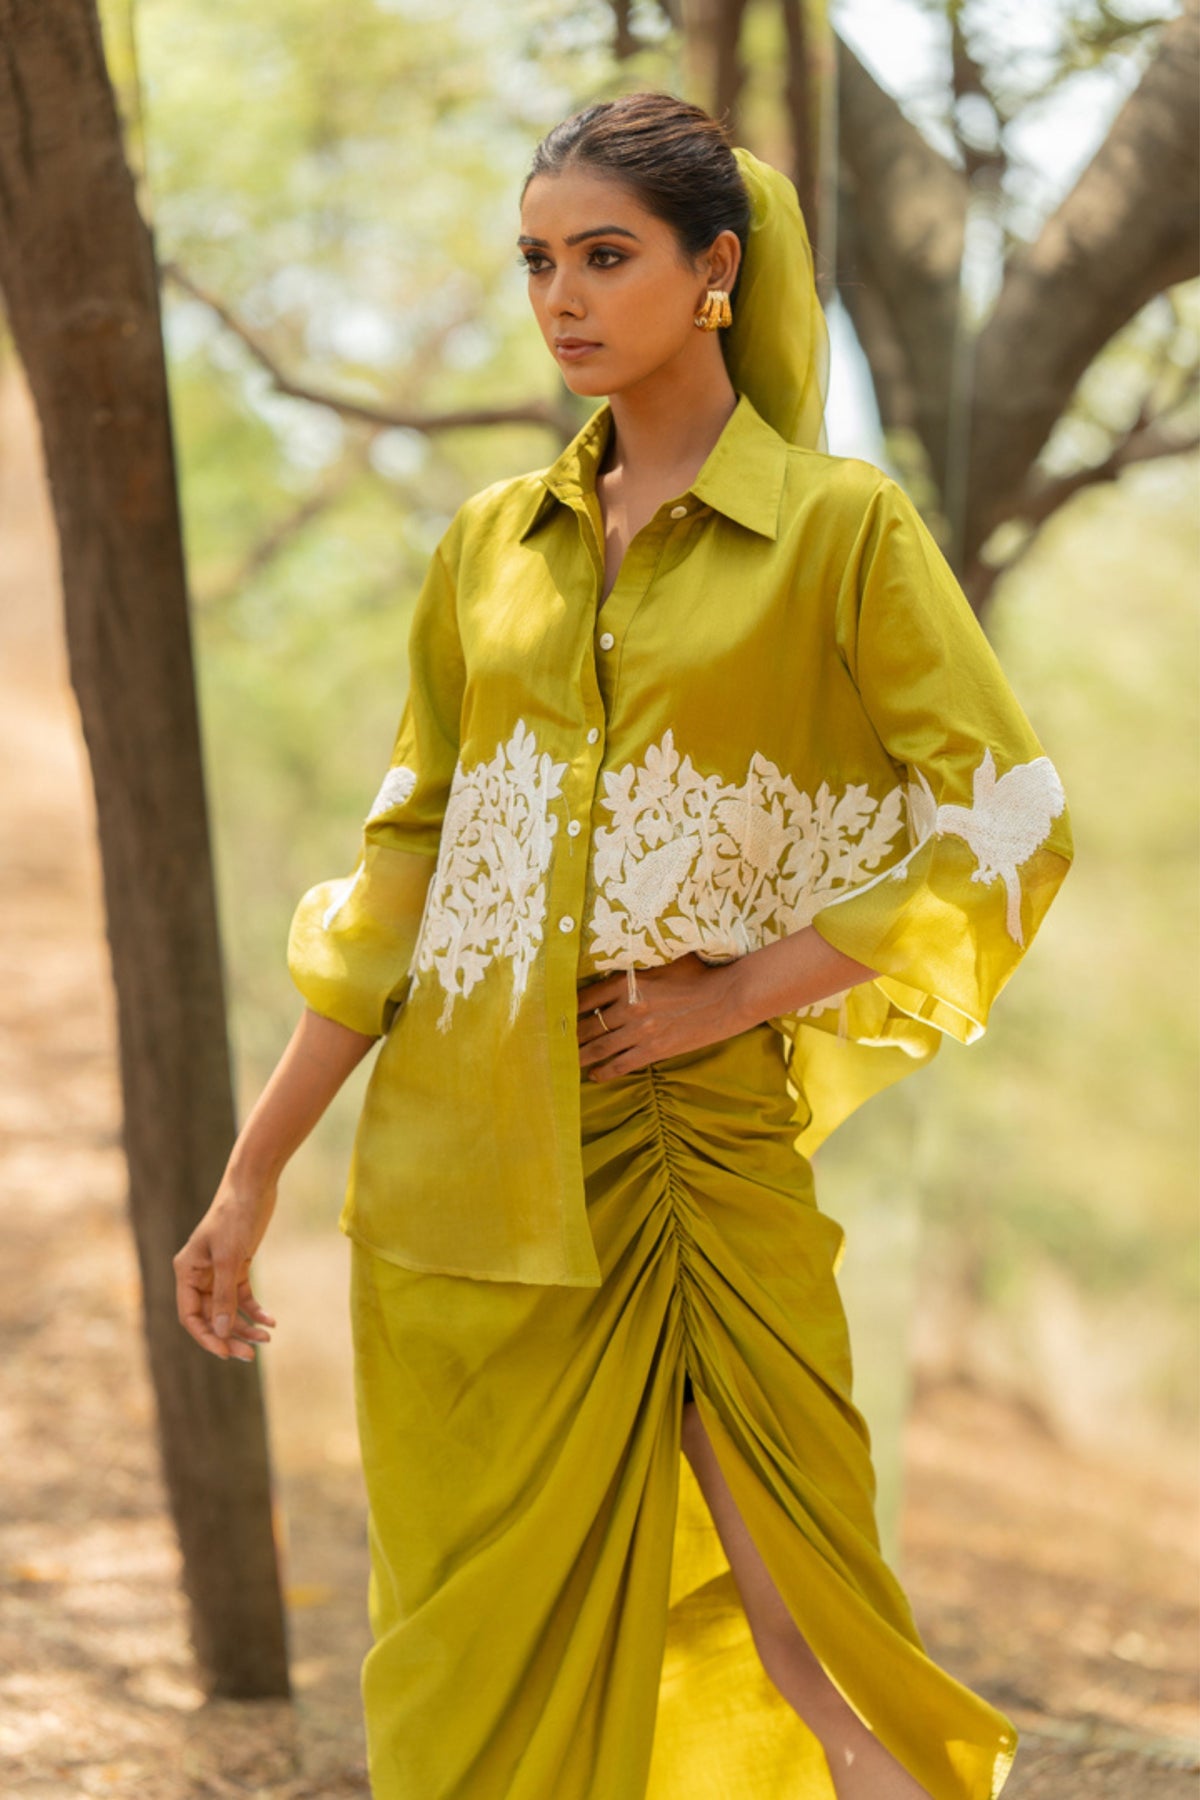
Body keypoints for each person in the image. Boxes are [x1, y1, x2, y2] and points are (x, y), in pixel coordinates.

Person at [173, 90, 1073, 1800]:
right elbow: (402, 884)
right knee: (464, 1660)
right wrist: (251, 1175)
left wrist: (739, 990)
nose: (562, 298)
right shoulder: (485, 552)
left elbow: (1010, 827)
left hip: (691, 1149)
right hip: (453, 1180)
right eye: (536, 262)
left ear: (715, 269)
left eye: (606, 256)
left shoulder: (840, 531)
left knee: (803, 1599)